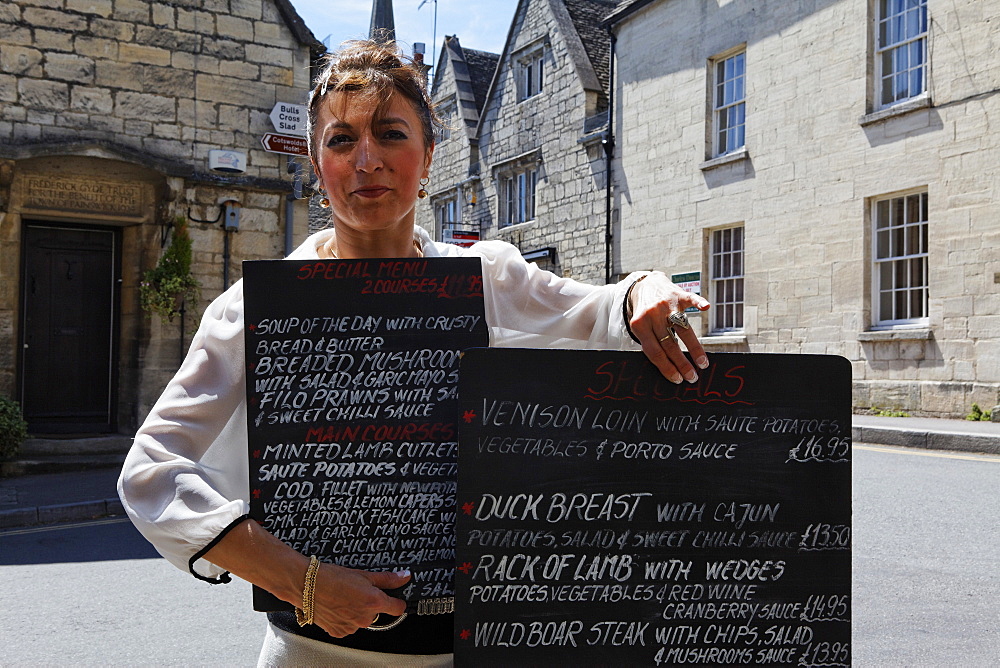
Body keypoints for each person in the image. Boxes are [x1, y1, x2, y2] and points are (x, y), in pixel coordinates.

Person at [118, 39, 711, 667]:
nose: (366, 159)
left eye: (390, 134)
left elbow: (595, 312)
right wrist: (303, 580)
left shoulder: (484, 277)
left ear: (428, 157)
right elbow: (151, 472)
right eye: (341, 141)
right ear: (318, 168)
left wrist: (643, 290)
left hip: (472, 648)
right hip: (311, 654)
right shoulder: (254, 310)